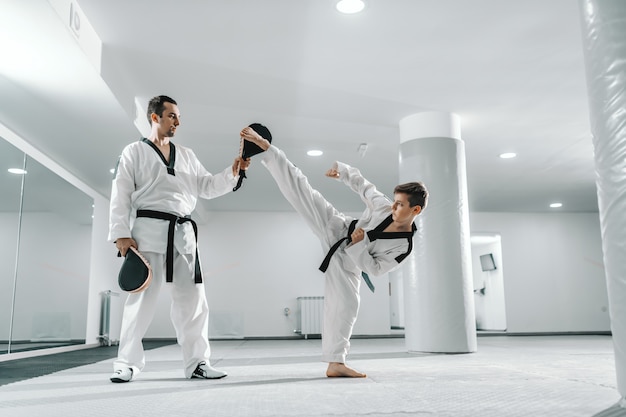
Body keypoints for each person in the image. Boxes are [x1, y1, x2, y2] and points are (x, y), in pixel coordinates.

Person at [240, 126, 428, 378]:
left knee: (347, 305)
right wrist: (343, 171)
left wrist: (358, 244)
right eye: (394, 200)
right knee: (304, 190)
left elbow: (374, 269)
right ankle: (269, 150)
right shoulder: (384, 207)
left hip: (349, 262)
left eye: (400, 204)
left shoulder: (403, 246)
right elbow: (365, 186)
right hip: (337, 228)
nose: (393, 206)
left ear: (415, 210)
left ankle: (335, 363)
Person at [108, 95, 250, 383]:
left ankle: (197, 363)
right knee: (140, 302)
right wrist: (121, 234)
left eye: (178, 116)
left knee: (194, 302)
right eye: (172, 115)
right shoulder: (134, 152)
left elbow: (207, 187)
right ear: (155, 117)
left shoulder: (187, 155)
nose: (178, 121)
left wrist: (233, 172)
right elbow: (121, 192)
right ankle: (126, 363)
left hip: (183, 236)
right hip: (147, 234)